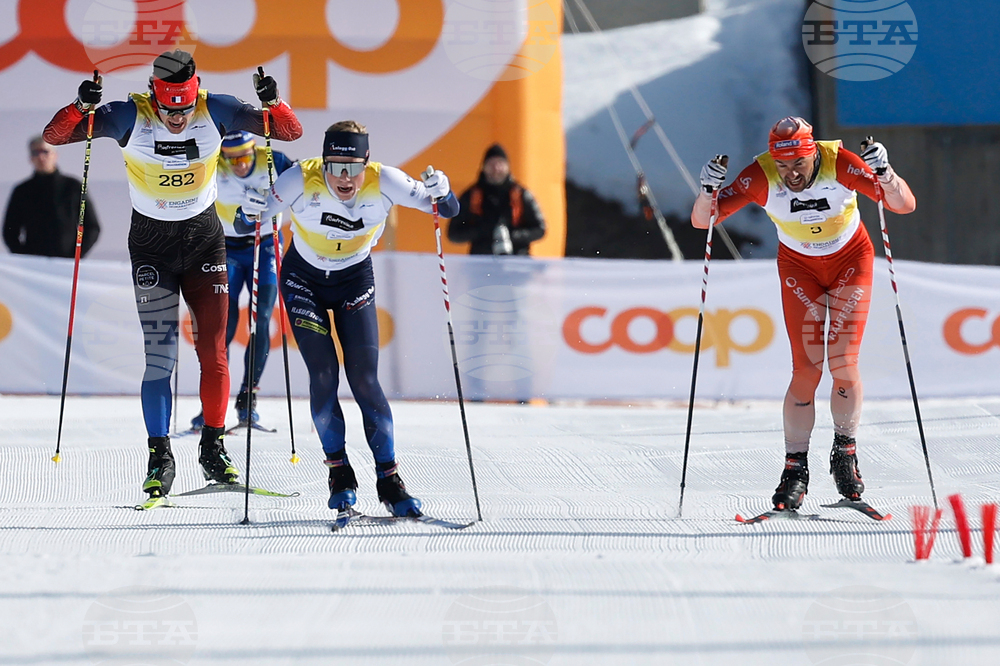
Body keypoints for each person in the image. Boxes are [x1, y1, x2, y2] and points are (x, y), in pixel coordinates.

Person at [43, 50, 303, 500]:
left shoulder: (215, 109)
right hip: (151, 247)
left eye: (184, 109)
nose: (178, 118)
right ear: (154, 97)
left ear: (194, 95)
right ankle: (159, 457)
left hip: (205, 241)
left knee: (214, 351)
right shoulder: (129, 115)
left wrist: (273, 102)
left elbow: (289, 132)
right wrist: (80, 107)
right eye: (169, 110)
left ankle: (213, 448)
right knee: (160, 357)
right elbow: (56, 135)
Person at [691, 117, 916, 511]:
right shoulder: (761, 175)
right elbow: (703, 219)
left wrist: (886, 173)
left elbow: (902, 205)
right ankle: (795, 468)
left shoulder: (840, 163)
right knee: (807, 369)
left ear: (813, 153)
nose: (790, 174)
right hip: (800, 268)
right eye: (783, 165)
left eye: (798, 163)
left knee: (843, 362)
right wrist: (707, 190)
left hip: (850, 261)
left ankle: (845, 453)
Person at [241, 120, 459, 517]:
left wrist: (444, 191)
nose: (344, 178)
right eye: (335, 166)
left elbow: (445, 210)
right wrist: (249, 209)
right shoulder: (298, 179)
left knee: (364, 377)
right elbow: (247, 222)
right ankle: (339, 474)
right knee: (323, 373)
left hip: (354, 278)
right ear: (322, 163)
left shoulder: (386, 181)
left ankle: (390, 480)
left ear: (367, 163)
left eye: (352, 167)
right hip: (302, 279)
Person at [187, 131, 296, 433]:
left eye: (245, 157)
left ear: (255, 150)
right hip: (226, 246)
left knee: (261, 321)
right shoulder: (213, 164)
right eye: (231, 158)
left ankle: (248, 401)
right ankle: (212, 404)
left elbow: (306, 182)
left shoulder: (275, 160)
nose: (238, 165)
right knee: (222, 324)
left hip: (265, 245)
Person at [3, 136, 101, 257]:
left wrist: (75, 256)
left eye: (45, 151)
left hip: (66, 263)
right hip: (33, 265)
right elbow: (10, 230)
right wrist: (24, 257)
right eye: (35, 152)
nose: (41, 157)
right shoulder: (22, 191)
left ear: (55, 155)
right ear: (30, 158)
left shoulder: (73, 187)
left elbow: (92, 227)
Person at [447, 143, 545, 255]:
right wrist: (484, 230)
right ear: (483, 167)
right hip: (482, 261)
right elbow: (453, 234)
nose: (496, 169)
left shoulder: (521, 195)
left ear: (508, 167)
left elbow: (540, 229)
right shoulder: (471, 195)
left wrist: (512, 234)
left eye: (500, 164)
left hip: (517, 260)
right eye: (491, 164)